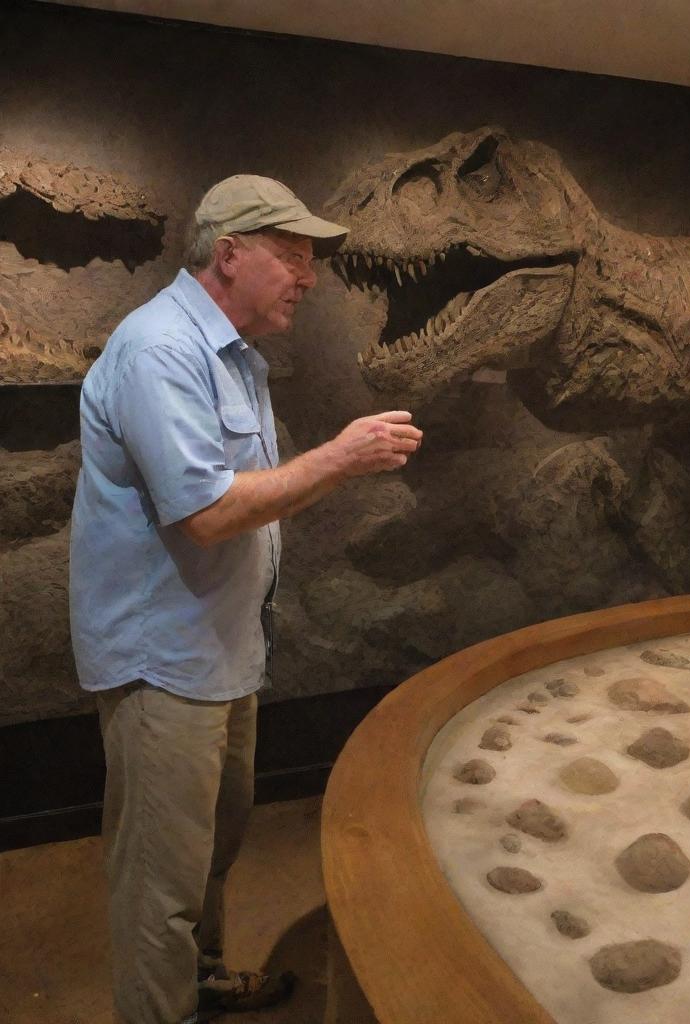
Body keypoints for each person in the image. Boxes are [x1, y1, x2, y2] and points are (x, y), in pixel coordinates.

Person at [69, 174, 423, 1024]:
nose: (309, 277)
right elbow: (209, 515)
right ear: (228, 254)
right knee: (161, 880)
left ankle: (200, 980)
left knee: (210, 850)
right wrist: (338, 459)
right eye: (293, 257)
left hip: (222, 654)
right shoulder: (159, 351)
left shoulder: (233, 356)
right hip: (166, 666)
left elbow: (243, 495)